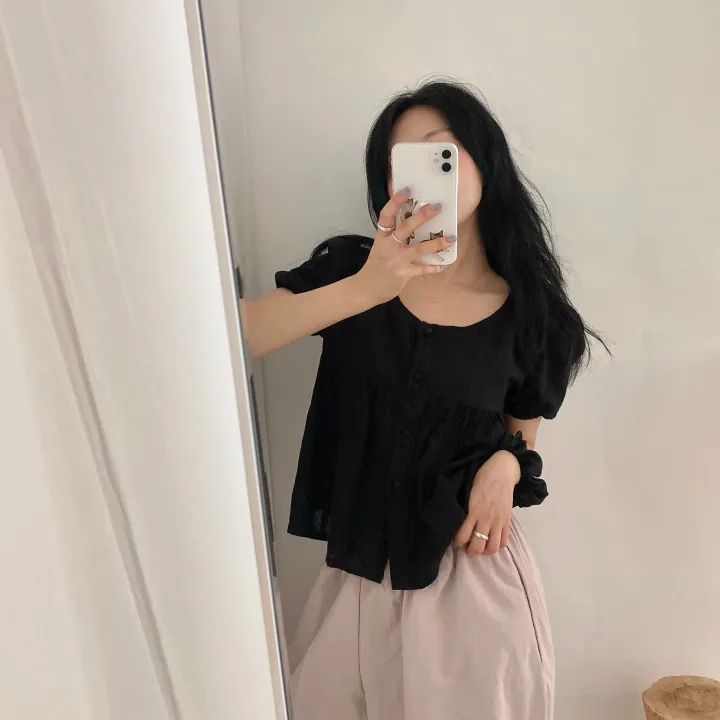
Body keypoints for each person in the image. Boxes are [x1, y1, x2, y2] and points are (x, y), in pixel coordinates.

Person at [241, 80, 601, 720]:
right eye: (400, 162)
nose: (423, 175)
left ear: (485, 160)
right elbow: (240, 336)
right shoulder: (350, 271)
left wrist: (508, 464)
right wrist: (369, 287)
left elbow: (521, 438)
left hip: (472, 579)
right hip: (357, 578)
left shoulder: (533, 318)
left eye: (441, 152)